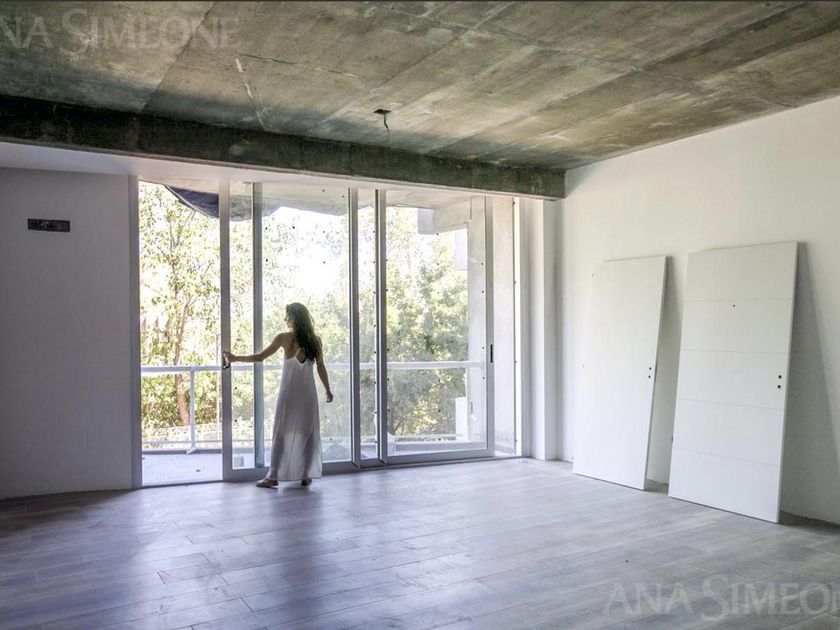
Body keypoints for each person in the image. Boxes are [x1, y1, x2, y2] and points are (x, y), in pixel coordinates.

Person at [223, 303, 333, 488]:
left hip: (289, 393)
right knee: (307, 431)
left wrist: (235, 358)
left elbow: (260, 357)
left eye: (287, 315)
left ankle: (273, 476)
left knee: (281, 431)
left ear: (294, 317)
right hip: (308, 394)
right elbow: (320, 366)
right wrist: (327, 389)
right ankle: (305, 474)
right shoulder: (315, 340)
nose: (285, 319)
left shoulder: (284, 338)